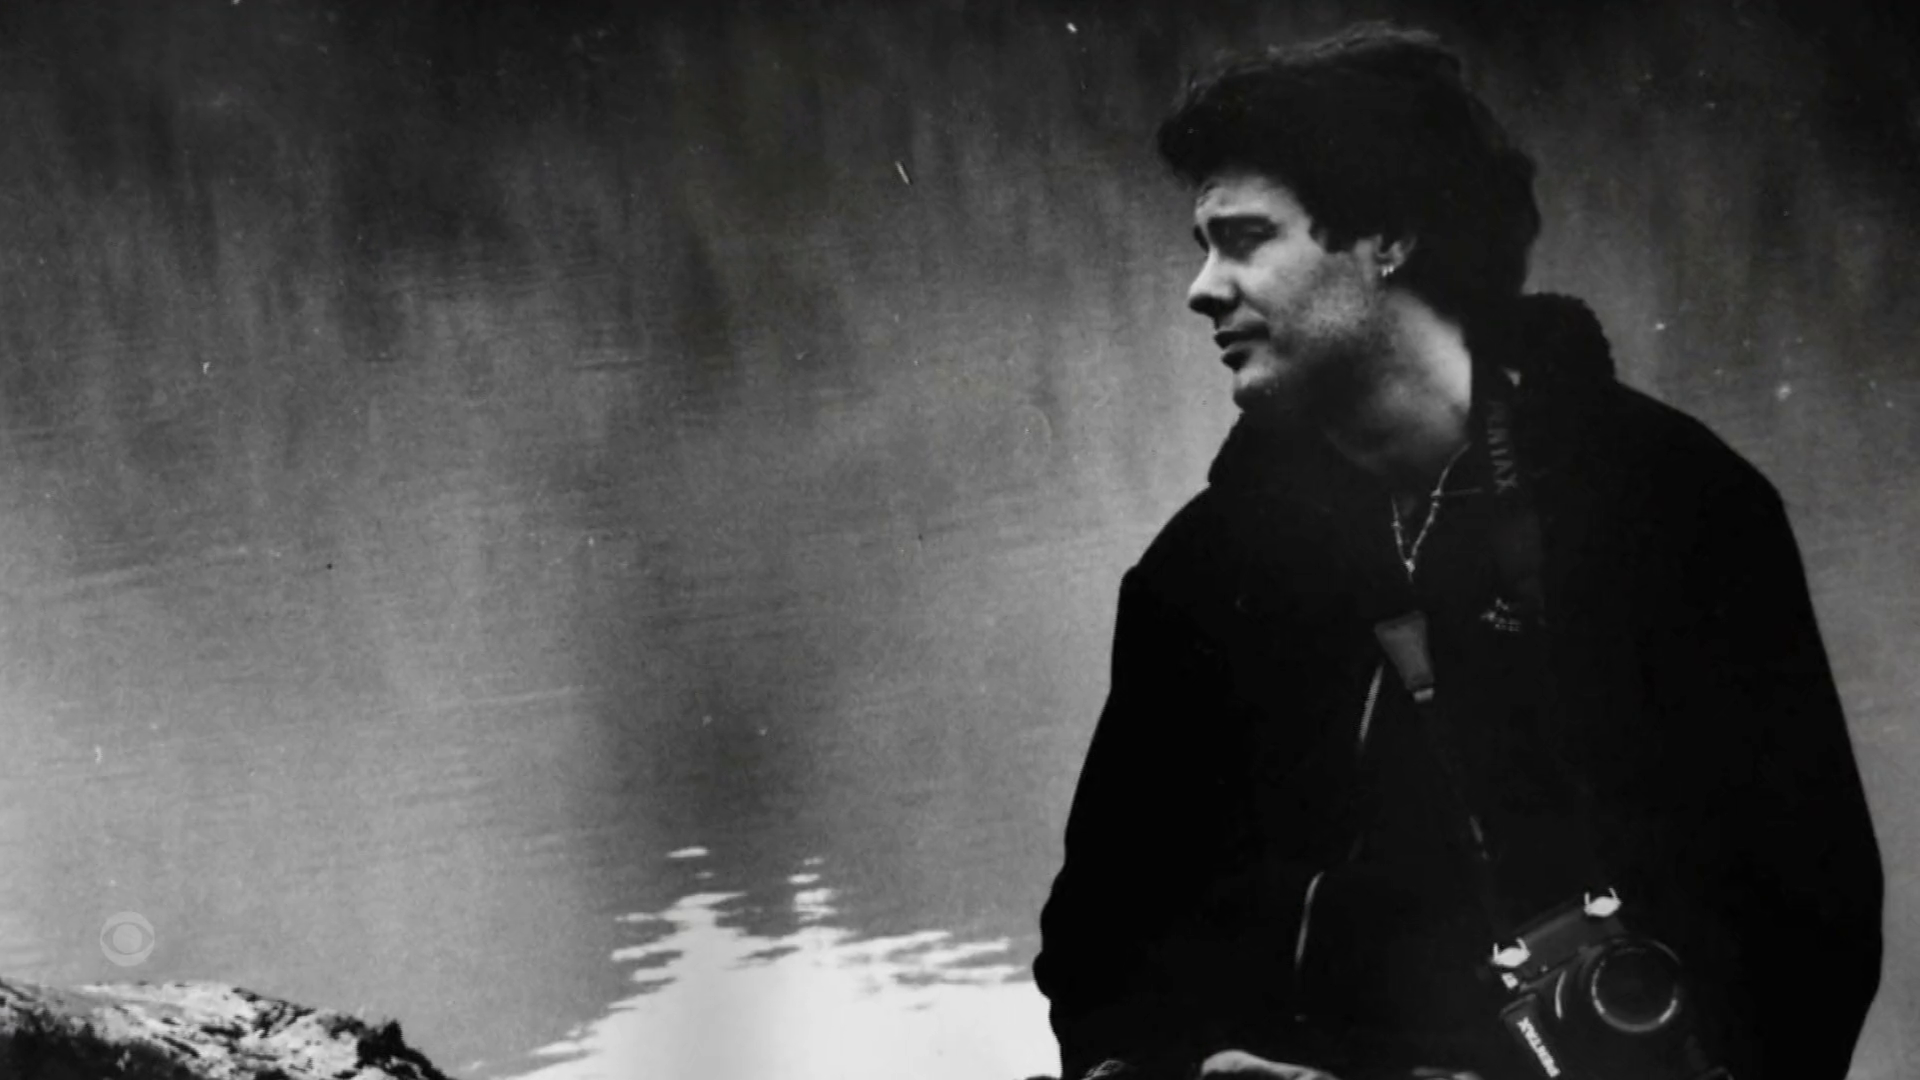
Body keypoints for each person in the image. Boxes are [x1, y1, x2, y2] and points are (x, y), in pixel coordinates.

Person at [1033, 24, 1883, 1080]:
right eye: (1202, 246)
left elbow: (1811, 927)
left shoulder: (1677, 506)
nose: (1201, 288)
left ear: (1388, 235)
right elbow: (1098, 955)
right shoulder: (1196, 581)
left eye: (1244, 240)